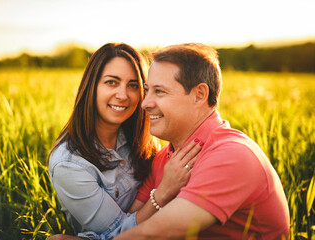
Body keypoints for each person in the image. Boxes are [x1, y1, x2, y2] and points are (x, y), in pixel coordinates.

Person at [115, 43, 290, 240]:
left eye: (160, 91)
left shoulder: (232, 155)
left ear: (199, 95)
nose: (145, 103)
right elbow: (127, 224)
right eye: (147, 90)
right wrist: (162, 192)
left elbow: (150, 235)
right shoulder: (165, 157)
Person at [47, 43, 202, 240]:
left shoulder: (138, 136)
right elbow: (116, 233)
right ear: (91, 86)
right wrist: (163, 192)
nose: (123, 95)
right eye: (112, 82)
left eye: (133, 85)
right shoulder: (69, 163)